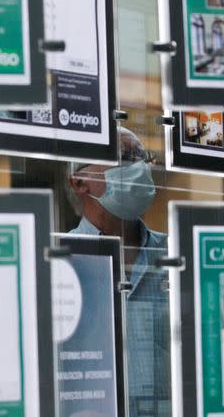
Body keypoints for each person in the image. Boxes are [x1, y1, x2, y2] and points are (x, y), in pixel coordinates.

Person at [66, 127, 171, 416]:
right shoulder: (62, 263)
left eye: (141, 156)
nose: (138, 166)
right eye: (124, 157)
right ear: (79, 181)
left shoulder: (176, 254)